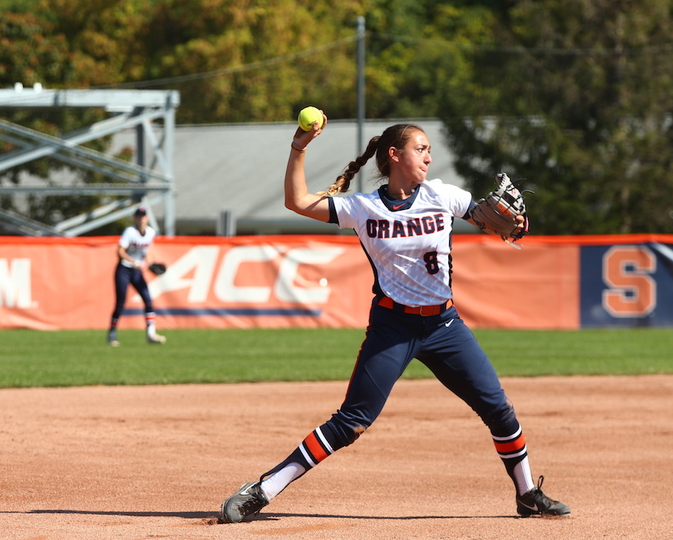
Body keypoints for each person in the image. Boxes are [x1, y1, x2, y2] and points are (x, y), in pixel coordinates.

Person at [220, 114, 569, 522]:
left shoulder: (443, 195)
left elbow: (490, 219)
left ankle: (527, 494)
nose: (428, 157)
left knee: (499, 410)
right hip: (393, 328)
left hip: (444, 326)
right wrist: (299, 147)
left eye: (428, 150)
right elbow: (296, 201)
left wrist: (512, 223)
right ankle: (262, 490)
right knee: (352, 422)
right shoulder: (363, 208)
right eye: (421, 149)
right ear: (394, 154)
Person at [106, 205, 166, 346]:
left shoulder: (151, 232)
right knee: (120, 304)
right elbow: (119, 252)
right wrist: (133, 261)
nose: (142, 218)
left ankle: (151, 334)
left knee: (148, 300)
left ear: (148, 218)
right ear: (135, 218)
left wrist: (150, 264)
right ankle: (112, 334)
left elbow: (146, 252)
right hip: (124, 269)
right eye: (139, 216)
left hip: (137, 271)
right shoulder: (130, 232)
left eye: (144, 215)